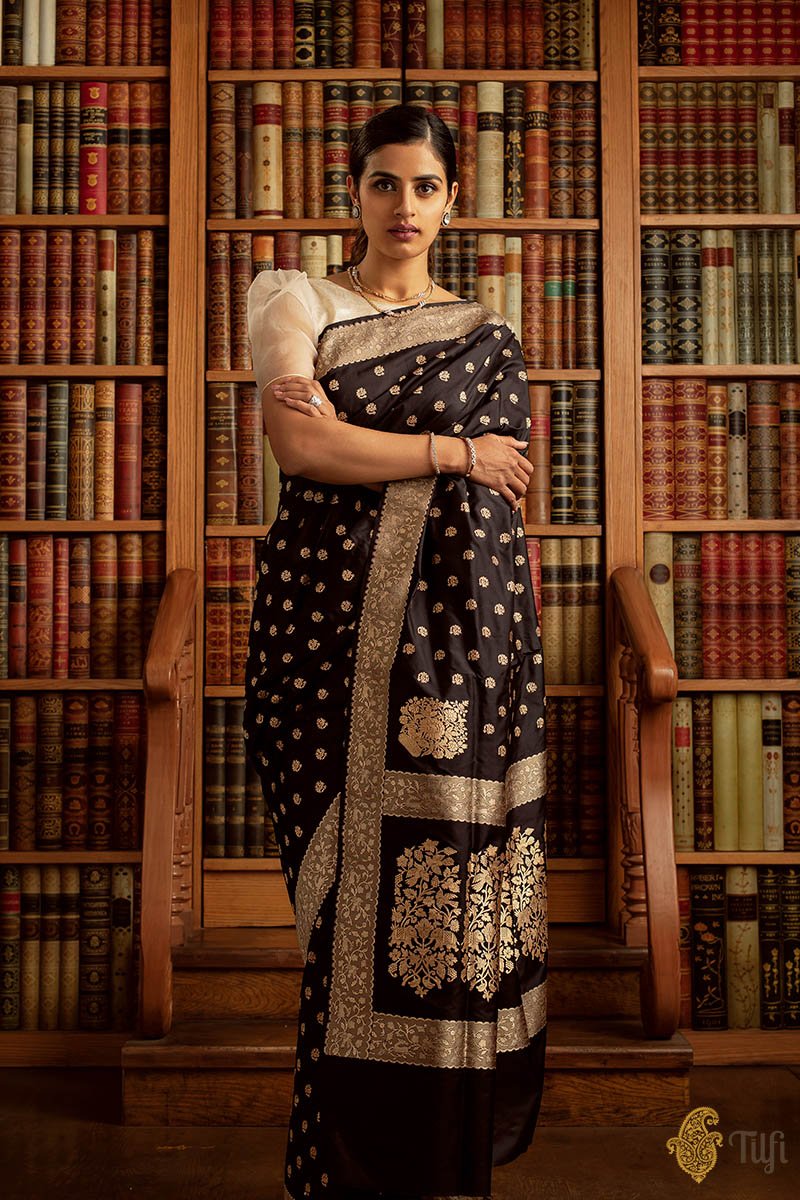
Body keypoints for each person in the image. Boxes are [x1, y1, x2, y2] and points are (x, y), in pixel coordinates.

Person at [243, 103, 548, 1200]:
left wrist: (368, 439)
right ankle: (340, 1171)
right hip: (323, 641)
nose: (403, 206)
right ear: (354, 192)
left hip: (460, 648)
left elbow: (502, 487)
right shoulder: (295, 300)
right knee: (347, 910)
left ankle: (439, 1164)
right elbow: (301, 443)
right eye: (384, 183)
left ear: (452, 200)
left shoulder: (487, 334)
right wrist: (453, 452)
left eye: (424, 186)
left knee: (449, 895)